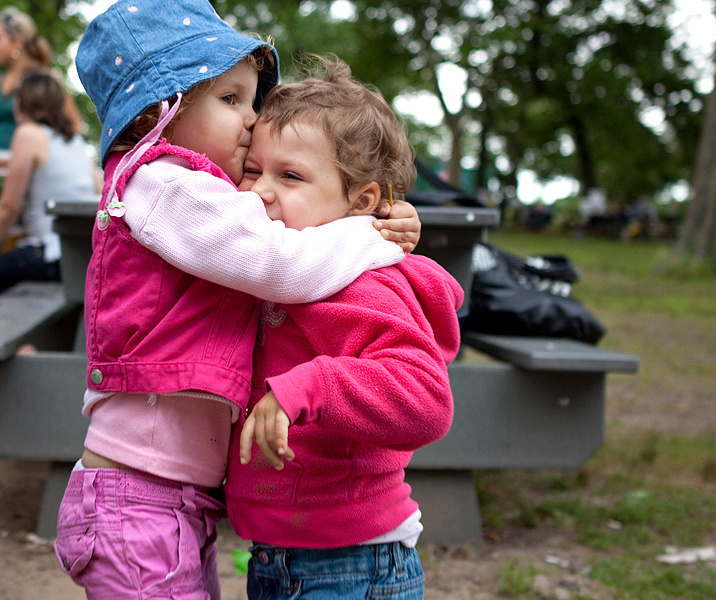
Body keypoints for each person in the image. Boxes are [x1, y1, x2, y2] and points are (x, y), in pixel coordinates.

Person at [53, 2, 421, 599]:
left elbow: (294, 214)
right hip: (139, 491)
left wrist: (378, 210)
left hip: (168, 495)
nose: (251, 119)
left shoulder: (199, 192)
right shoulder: (162, 183)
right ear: (158, 106)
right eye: (230, 100)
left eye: (251, 101)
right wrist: (369, 232)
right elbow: (279, 262)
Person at [225, 55, 463, 600]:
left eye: (290, 176)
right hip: (280, 556)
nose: (259, 192)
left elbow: (426, 399)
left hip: (352, 562)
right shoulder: (280, 268)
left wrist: (308, 387)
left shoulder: (357, 284)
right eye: (253, 170)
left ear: (362, 202)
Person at [0, 70, 99, 292]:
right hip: (81, 256)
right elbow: (99, 189)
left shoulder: (28, 133)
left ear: (20, 104)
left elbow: (8, 209)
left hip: (49, 255)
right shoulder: (75, 140)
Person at [0, 6, 81, 155]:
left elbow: (74, 124)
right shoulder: (2, 79)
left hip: (26, 169)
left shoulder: (43, 79)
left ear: (17, 42)